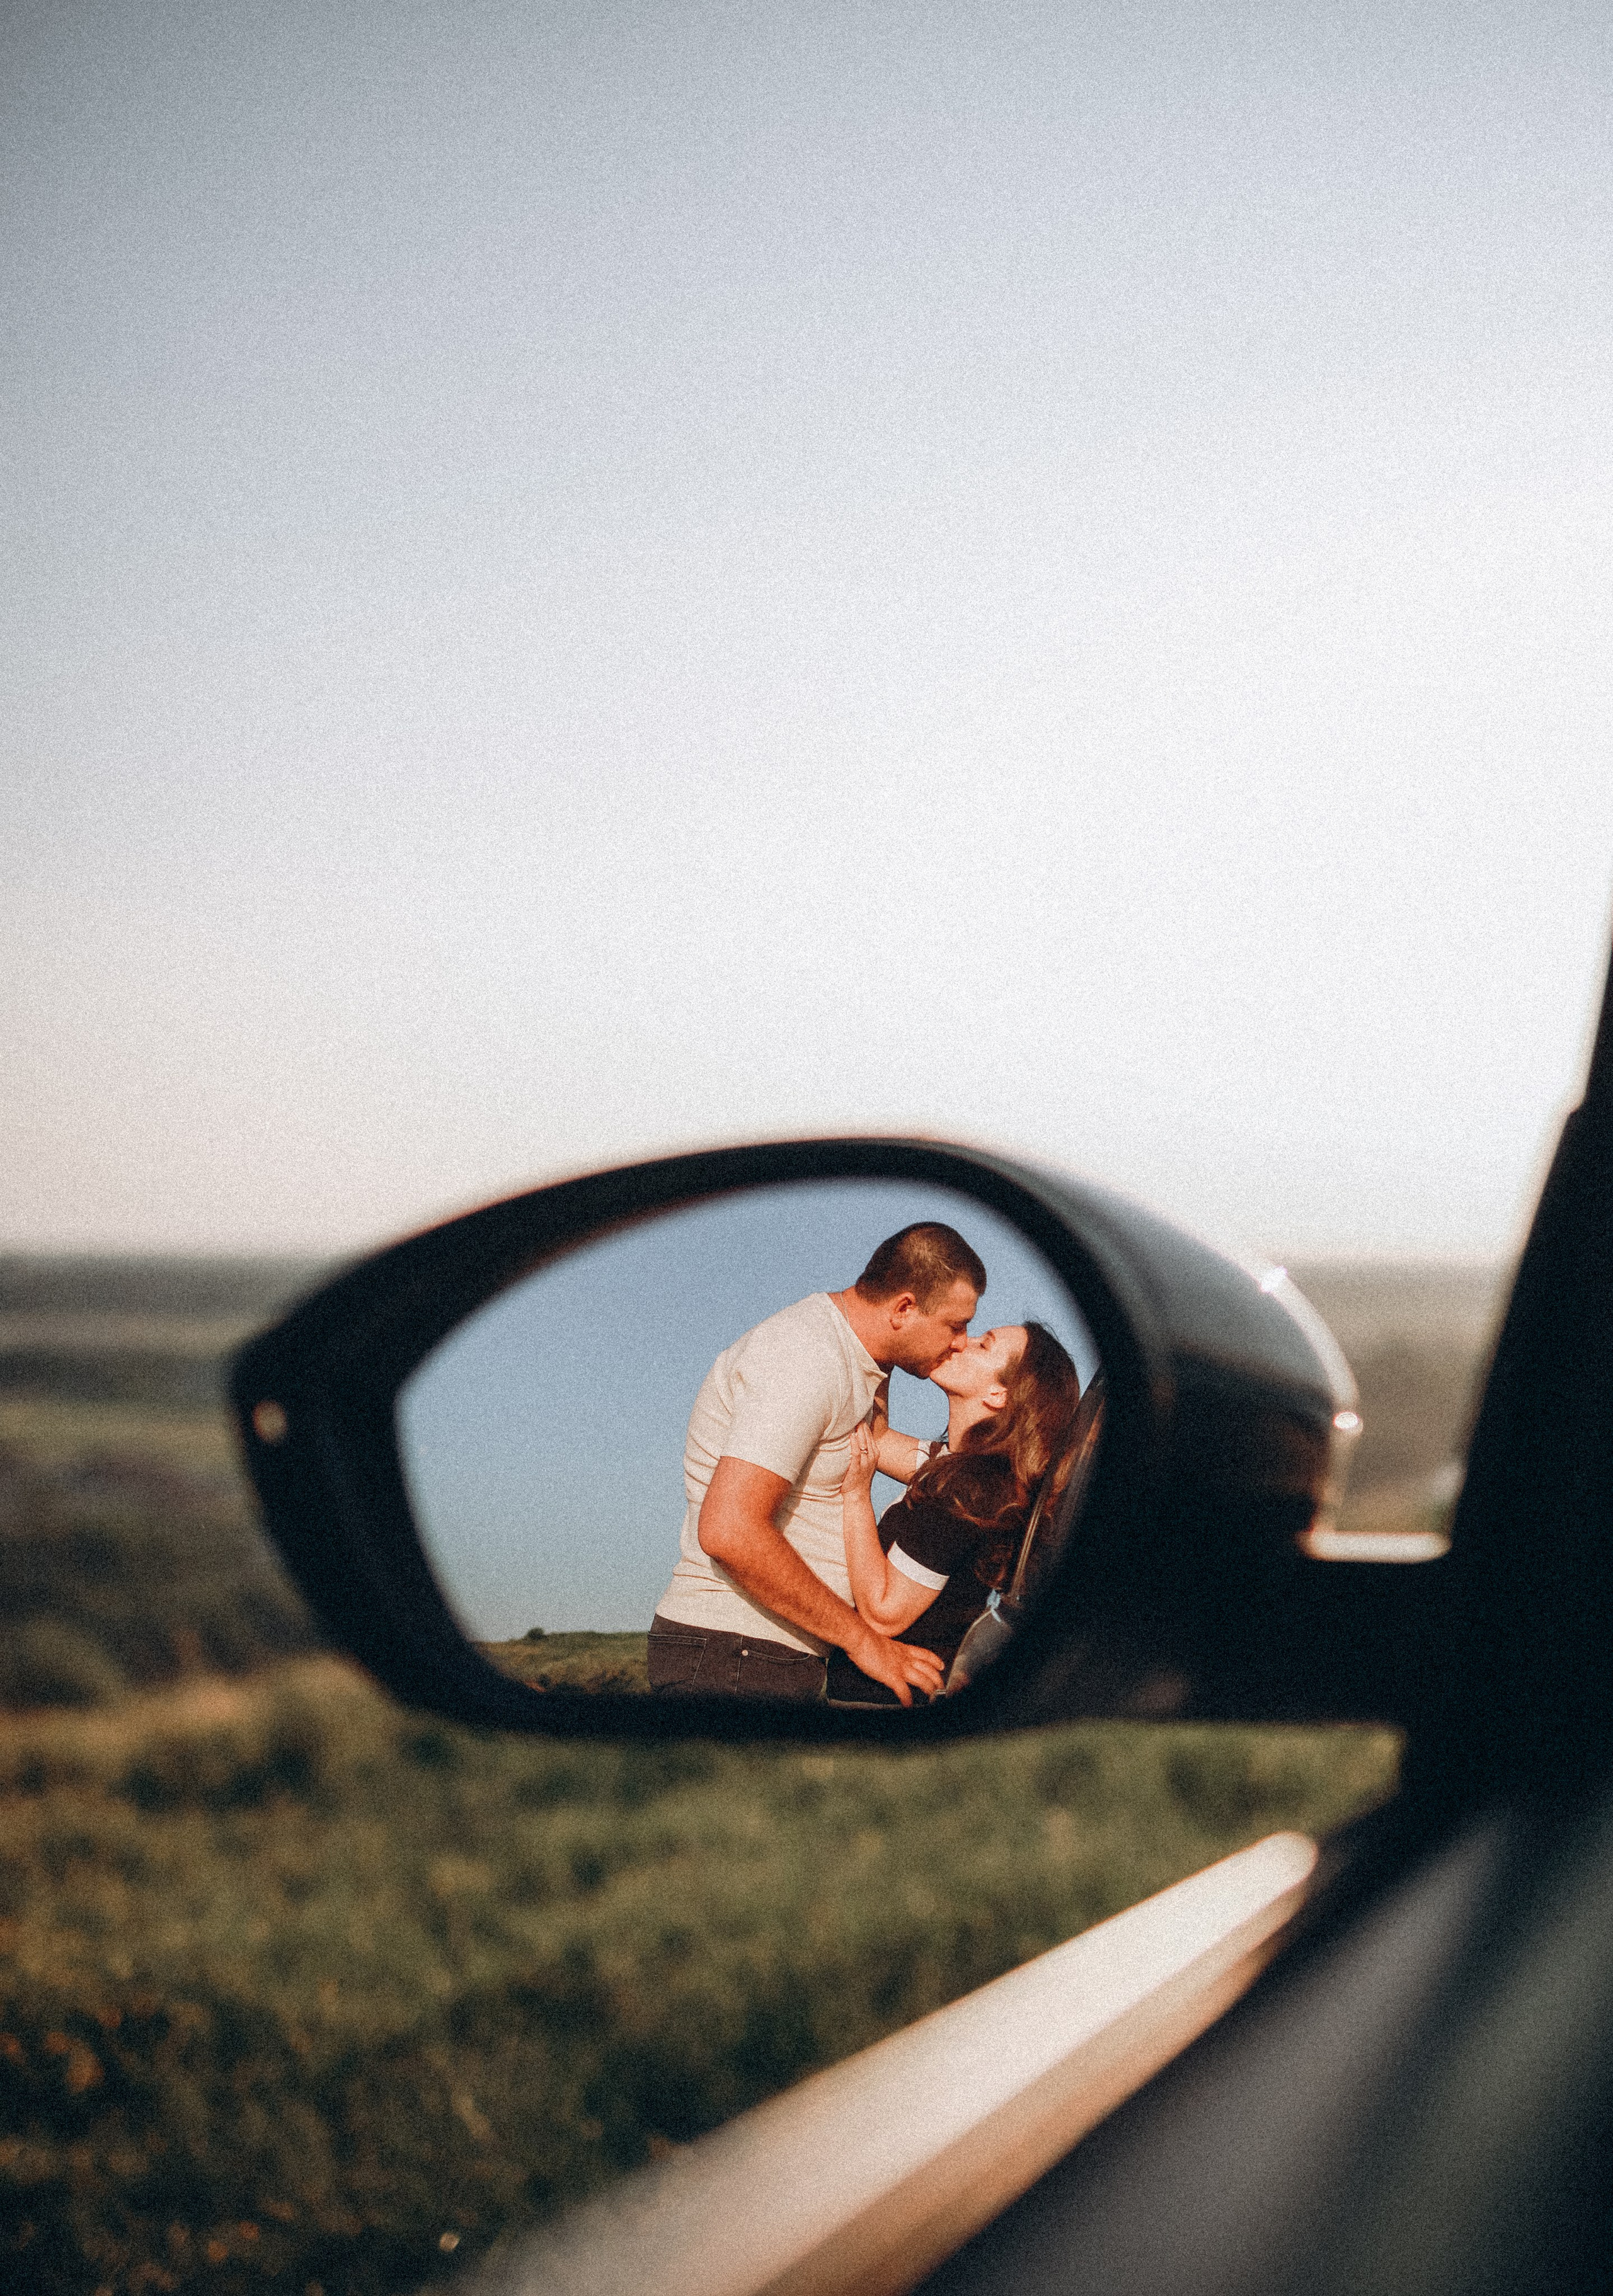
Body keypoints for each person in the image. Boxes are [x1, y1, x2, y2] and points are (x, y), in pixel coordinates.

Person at [648, 1223, 989, 1705]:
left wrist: (1014, 1468)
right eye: (956, 1325)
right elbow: (730, 1529)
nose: (961, 1341)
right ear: (905, 1308)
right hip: (736, 1654)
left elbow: (903, 1454)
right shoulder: (807, 1357)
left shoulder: (859, 1364)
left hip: (761, 1655)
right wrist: (864, 1641)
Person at [826, 1320, 1082, 1705]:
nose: (962, 1342)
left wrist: (857, 1496)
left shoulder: (971, 1489)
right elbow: (876, 1440)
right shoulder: (957, 1465)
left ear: (999, 1394)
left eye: (984, 1345)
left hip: (875, 1701)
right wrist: (892, 1346)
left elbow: (883, 1612)